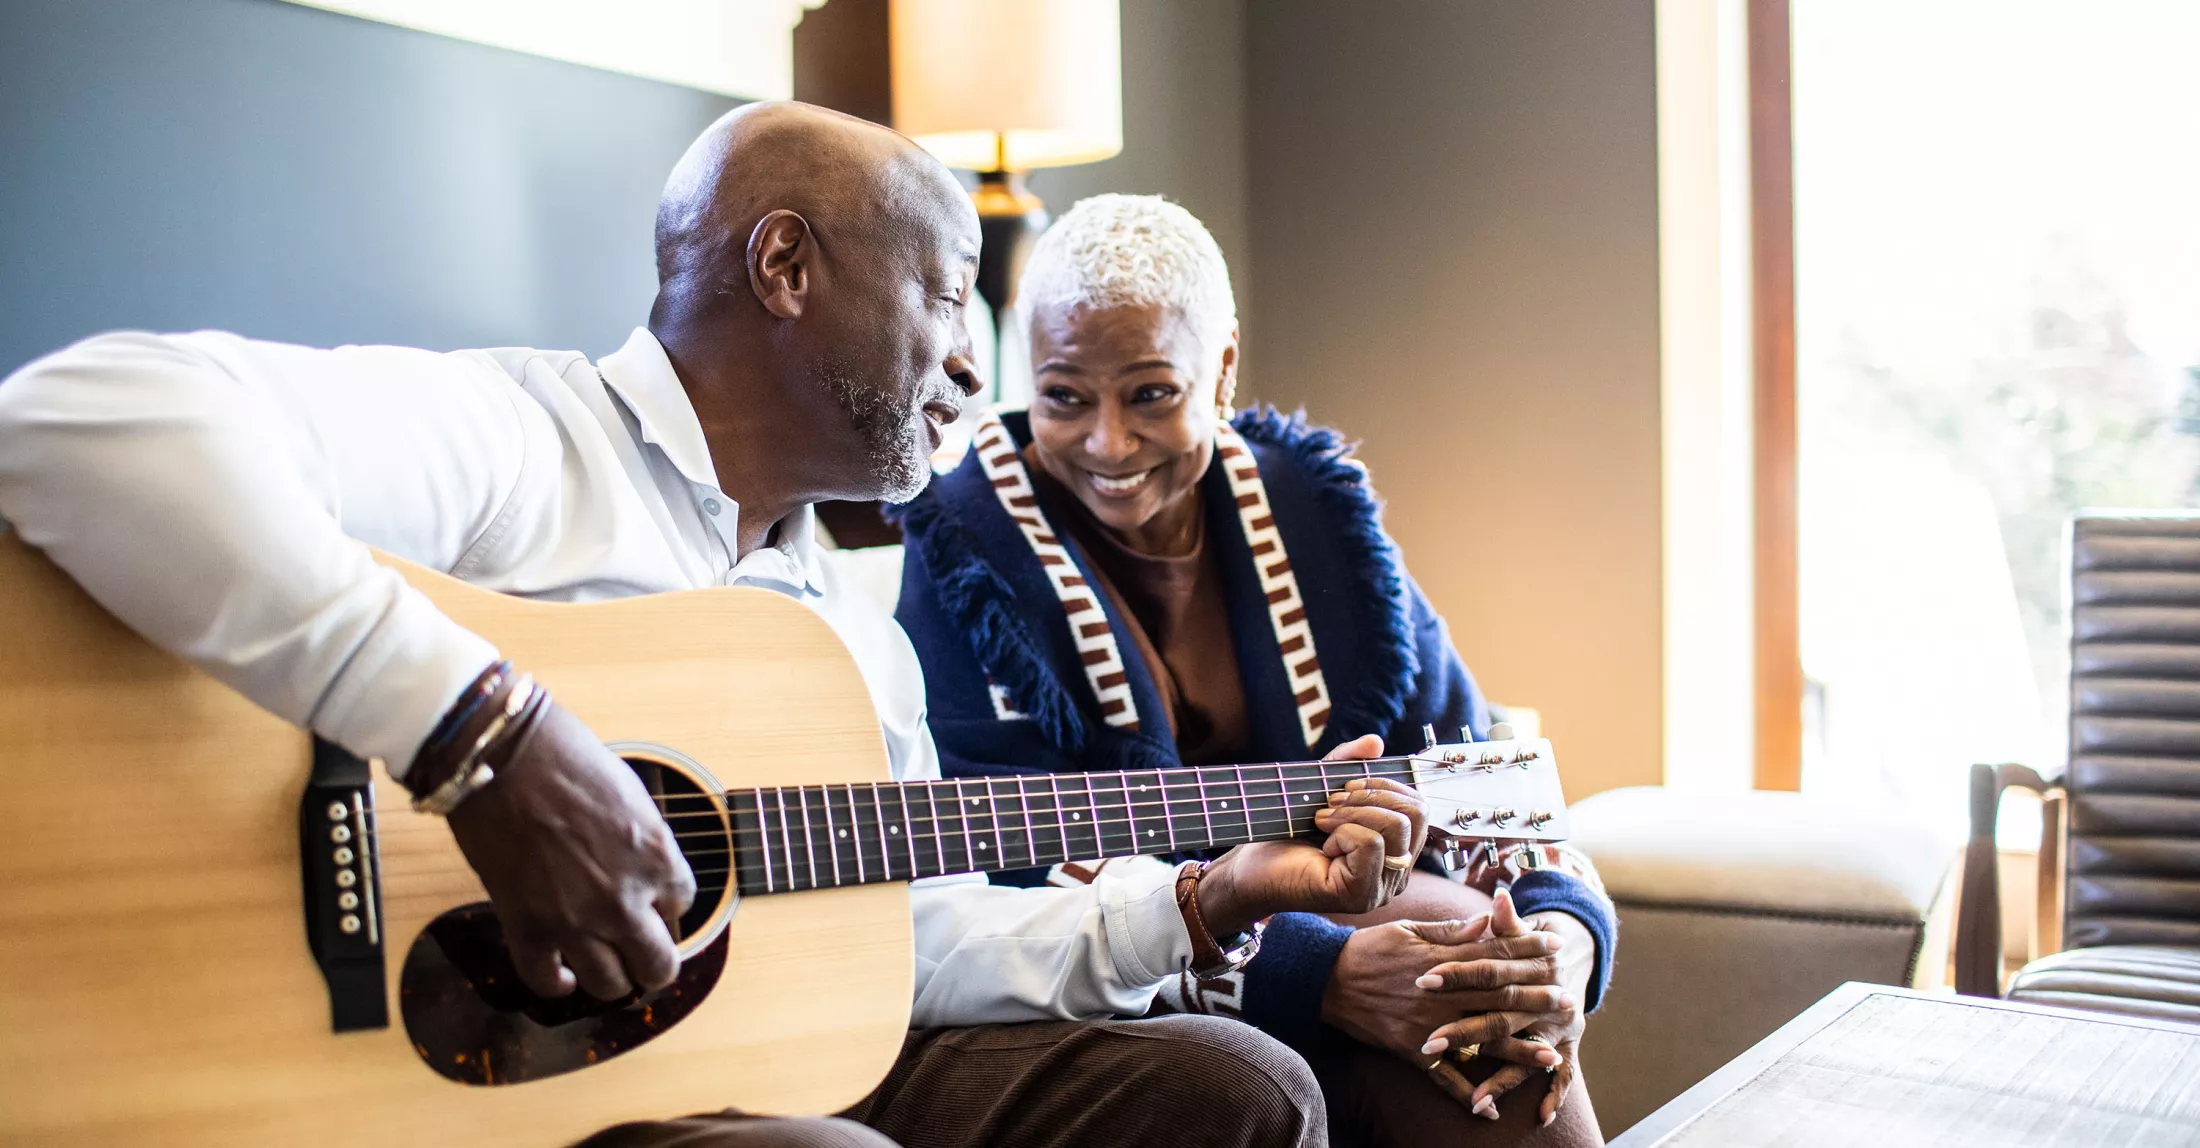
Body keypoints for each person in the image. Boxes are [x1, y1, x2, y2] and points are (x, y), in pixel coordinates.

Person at [0, 105, 1431, 1148]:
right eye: (945, 296)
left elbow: (910, 946)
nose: (969, 365)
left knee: (1237, 1086)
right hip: (425, 1060)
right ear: (787, 266)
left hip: (720, 1054)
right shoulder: (525, 441)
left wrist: (1204, 900)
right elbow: (79, 424)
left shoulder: (848, 636)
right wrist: (487, 745)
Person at [891, 195, 1619, 1147]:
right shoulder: (961, 543)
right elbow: (1004, 851)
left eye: (1151, 393)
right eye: (1064, 397)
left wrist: (1562, 942)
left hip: (1377, 946)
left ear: (1223, 367)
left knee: (1492, 1016)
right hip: (1138, 993)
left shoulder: (1319, 516)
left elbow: (1482, 768)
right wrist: (1317, 974)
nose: (1108, 443)